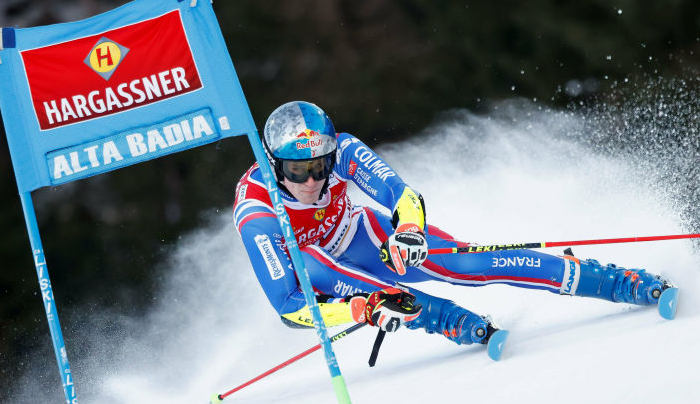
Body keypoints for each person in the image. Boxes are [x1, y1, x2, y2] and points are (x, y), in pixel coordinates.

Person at [233, 101, 672, 349]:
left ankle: (614, 281)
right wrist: (357, 309)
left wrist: (408, 231)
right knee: (321, 266)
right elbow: (290, 306)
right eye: (296, 171)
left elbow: (400, 194)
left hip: (358, 233)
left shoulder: (342, 149)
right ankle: (448, 320)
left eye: (319, 166)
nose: (311, 180)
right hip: (319, 273)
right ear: (275, 166)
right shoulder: (257, 213)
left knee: (464, 264)